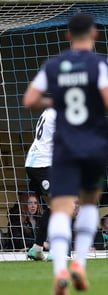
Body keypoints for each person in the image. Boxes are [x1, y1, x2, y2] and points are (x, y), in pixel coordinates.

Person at [22, 12, 108, 295]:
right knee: (86, 205)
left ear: (67, 36)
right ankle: (78, 262)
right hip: (91, 144)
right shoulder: (103, 63)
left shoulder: (54, 66)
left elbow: (29, 100)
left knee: (63, 205)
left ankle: (59, 270)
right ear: (94, 35)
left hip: (64, 150)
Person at [24, 107, 56, 261]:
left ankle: (37, 248)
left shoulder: (49, 110)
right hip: (41, 165)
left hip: (37, 162)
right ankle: (56, 250)